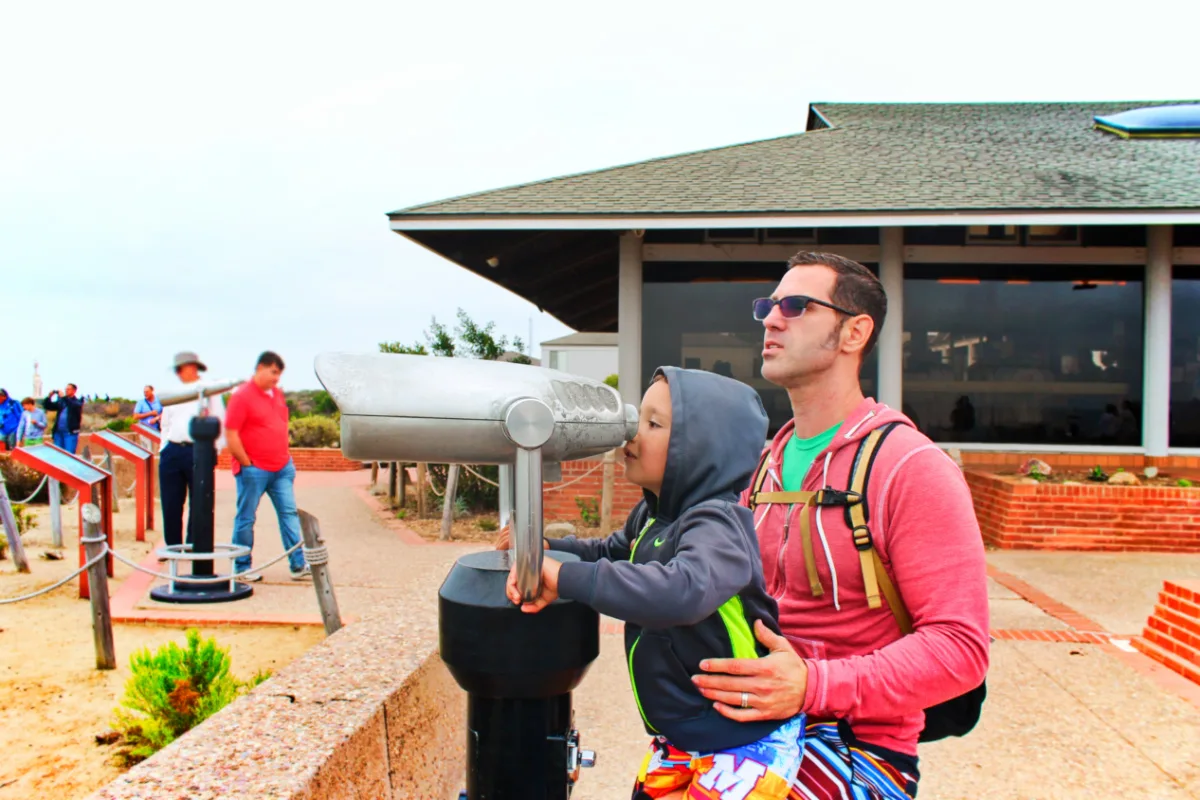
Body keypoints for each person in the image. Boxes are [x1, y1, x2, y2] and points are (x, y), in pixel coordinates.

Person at [690, 252, 990, 799]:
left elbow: (960, 648)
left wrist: (812, 684)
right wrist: (563, 563)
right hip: (745, 736)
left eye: (797, 305)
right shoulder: (762, 466)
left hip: (857, 749)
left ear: (855, 332)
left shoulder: (910, 467)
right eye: (769, 305)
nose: (772, 319)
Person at [503, 367, 805, 799]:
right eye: (637, 417)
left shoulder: (718, 524)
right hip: (685, 732)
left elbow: (681, 590)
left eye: (653, 423)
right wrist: (549, 547)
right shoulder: (654, 516)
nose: (631, 433)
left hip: (742, 738)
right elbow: (612, 551)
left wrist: (566, 577)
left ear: (700, 449)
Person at [224, 351, 309, 581]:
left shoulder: (277, 395)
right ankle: (242, 567)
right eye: (273, 372)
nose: (276, 378)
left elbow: (279, 424)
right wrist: (246, 463)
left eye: (279, 374)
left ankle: (298, 564)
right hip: (254, 470)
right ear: (260, 368)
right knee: (247, 517)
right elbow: (231, 434)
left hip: (281, 468)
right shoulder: (241, 397)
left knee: (289, 513)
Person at [158, 352, 226, 558]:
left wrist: (215, 450)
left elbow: (220, 420)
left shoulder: (208, 390)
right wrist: (164, 447)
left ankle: (194, 544)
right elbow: (166, 422)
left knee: (199, 502)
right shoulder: (174, 392)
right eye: (177, 369)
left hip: (199, 450)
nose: (180, 372)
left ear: (193, 367)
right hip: (173, 449)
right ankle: (172, 547)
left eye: (183, 368)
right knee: (170, 502)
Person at [43, 384, 84, 454]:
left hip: (70, 433)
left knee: (69, 454)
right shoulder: (62, 401)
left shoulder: (77, 402)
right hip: (58, 433)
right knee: (58, 453)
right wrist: (49, 397)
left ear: (74, 391)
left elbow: (72, 405)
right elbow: (48, 406)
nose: (66, 391)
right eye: (66, 389)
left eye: (68, 389)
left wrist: (63, 397)